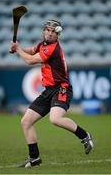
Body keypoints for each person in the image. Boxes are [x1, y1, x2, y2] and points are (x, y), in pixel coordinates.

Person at [9, 19, 94, 168]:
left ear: (57, 35)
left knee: (55, 119)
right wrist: (19, 48)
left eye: (52, 31)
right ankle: (34, 158)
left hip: (62, 88)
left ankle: (85, 136)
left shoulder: (52, 48)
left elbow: (30, 61)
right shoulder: (43, 45)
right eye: (47, 30)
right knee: (26, 122)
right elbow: (31, 51)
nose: (49, 33)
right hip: (48, 90)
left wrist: (17, 49)